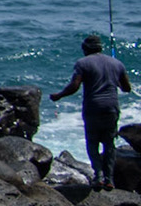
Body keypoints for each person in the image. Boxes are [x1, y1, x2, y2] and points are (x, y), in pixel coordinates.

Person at [52, 35, 132, 189]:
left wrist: (59, 95)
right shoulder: (117, 64)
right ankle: (109, 179)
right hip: (111, 108)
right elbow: (126, 88)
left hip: (93, 107)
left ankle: (98, 176)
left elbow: (75, 86)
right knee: (109, 143)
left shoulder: (82, 63)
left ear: (85, 49)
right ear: (100, 48)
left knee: (92, 142)